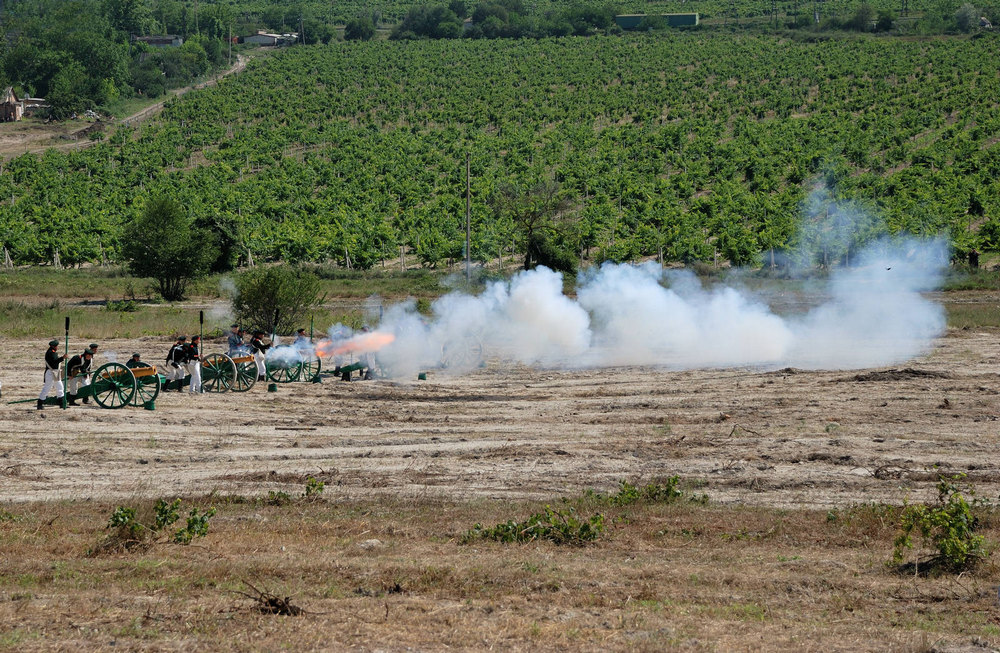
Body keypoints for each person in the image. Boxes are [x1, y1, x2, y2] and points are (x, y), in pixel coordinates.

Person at [38, 339, 66, 410]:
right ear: (54, 346)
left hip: (55, 372)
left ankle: (62, 403)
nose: (57, 347)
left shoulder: (52, 352)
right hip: (51, 372)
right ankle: (40, 403)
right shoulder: (51, 353)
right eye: (56, 346)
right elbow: (54, 362)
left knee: (59, 387)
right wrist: (62, 358)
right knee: (47, 387)